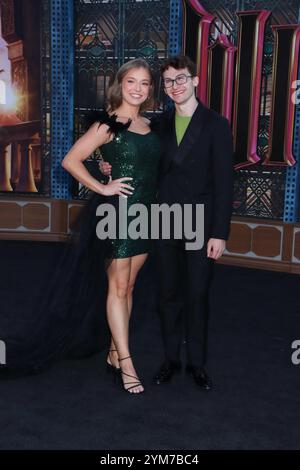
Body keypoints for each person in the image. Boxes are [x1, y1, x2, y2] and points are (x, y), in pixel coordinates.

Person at [0, 59, 161, 395]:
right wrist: (103, 187)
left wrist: (108, 169)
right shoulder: (108, 125)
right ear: (120, 84)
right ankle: (127, 364)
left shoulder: (149, 124)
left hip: (147, 215)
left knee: (129, 286)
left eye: (145, 83)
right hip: (117, 215)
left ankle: (115, 353)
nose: (138, 89)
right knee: (117, 287)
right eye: (132, 81)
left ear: (150, 90)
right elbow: (70, 160)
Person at [101, 55, 234, 390]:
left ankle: (198, 365)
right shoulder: (157, 124)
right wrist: (109, 169)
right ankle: (171, 359)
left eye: (181, 79)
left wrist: (219, 232)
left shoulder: (216, 124)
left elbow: (224, 183)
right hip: (161, 221)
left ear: (195, 81)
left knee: (198, 294)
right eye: (169, 81)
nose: (175, 86)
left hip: (199, 226)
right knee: (168, 295)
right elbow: (137, 157)